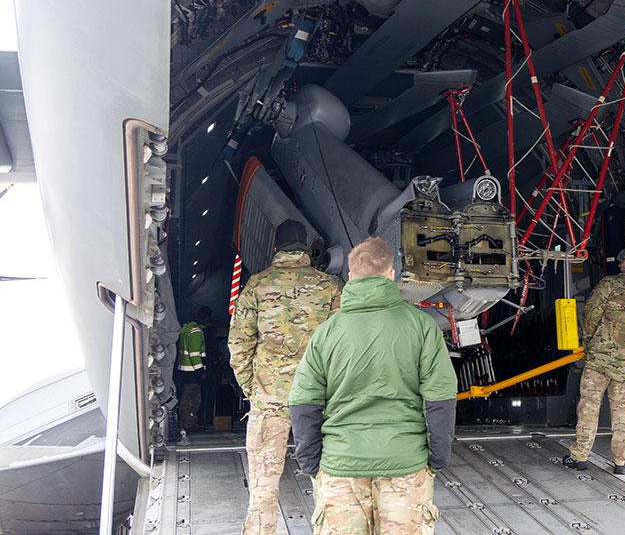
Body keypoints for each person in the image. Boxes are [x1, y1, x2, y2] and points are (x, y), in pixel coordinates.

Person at [290, 237, 457, 535]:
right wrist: (436, 459)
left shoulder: (326, 333)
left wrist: (312, 465)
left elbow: (304, 403)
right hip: (406, 466)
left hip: (340, 467)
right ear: (392, 274)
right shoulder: (422, 327)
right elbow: (441, 398)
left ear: (351, 277)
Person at [229, 219, 343, 535]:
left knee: (263, 486)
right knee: (326, 481)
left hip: (269, 399)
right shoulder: (329, 287)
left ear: (276, 248)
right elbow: (342, 345)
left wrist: (252, 388)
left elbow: (239, 343)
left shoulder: (257, 286)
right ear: (306, 248)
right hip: (318, 400)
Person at [563, 249, 625, 475]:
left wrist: (591, 340)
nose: (621, 259)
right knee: (621, 412)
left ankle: (580, 456)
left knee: (589, 407)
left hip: (600, 360)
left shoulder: (609, 284)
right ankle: (622, 462)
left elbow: (591, 315)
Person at [176, 305, 213, 432]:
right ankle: (189, 423)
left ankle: (185, 422)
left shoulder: (187, 329)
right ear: (207, 318)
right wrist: (200, 371)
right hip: (192, 371)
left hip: (184, 370)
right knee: (194, 399)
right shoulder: (196, 332)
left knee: (186, 397)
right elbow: (194, 354)